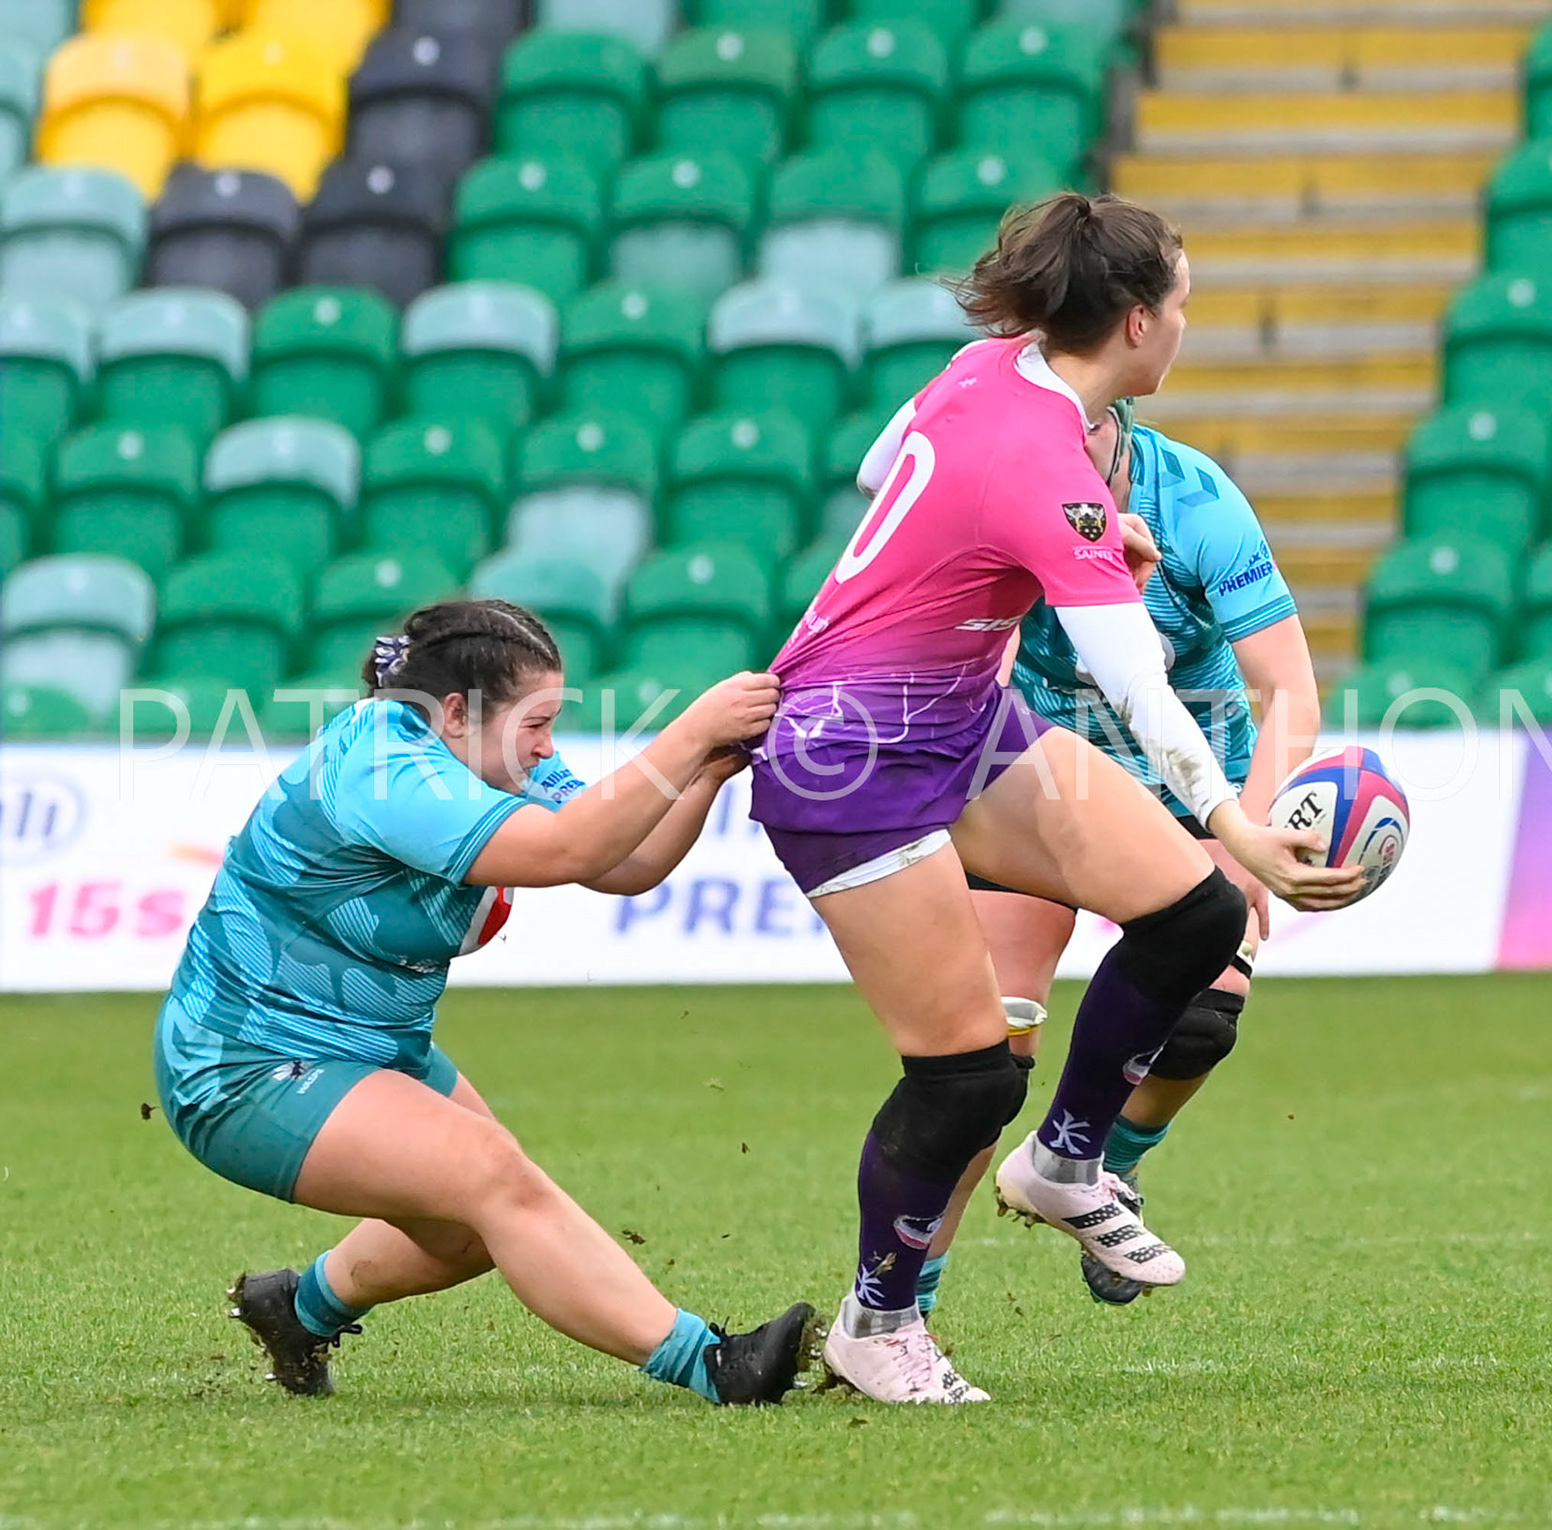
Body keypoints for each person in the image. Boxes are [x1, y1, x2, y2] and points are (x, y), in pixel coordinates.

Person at [751, 192, 1366, 1404]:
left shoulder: (989, 372)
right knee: (971, 1073)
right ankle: (878, 1327)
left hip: (969, 724)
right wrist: (1239, 822)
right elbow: (1136, 680)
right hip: (852, 754)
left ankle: (1070, 1162)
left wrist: (1042, 540)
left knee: (1193, 916)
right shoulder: (1053, 464)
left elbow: (890, 468)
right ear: (1138, 325)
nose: (1187, 325)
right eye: (1183, 305)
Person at [154, 598, 813, 1406]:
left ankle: (297, 1308)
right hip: (247, 1066)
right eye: (537, 720)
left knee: (472, 1234)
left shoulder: (496, 762)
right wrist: (690, 727)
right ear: (458, 712)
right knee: (493, 1173)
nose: (549, 743)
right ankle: (714, 1365)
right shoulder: (384, 768)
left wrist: (705, 767)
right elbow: (569, 847)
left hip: (370, 1047)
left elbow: (623, 862)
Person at [917, 401, 1321, 1314]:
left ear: (1119, 418)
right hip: (1039, 777)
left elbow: (1288, 685)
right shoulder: (1003, 499)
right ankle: (908, 1308)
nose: (1066, 444)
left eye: (1088, 427)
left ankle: (1102, 1165)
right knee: (981, 1064)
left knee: (1203, 1018)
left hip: (1195, 777)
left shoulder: (1198, 505)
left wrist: (1251, 840)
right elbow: (977, 670)